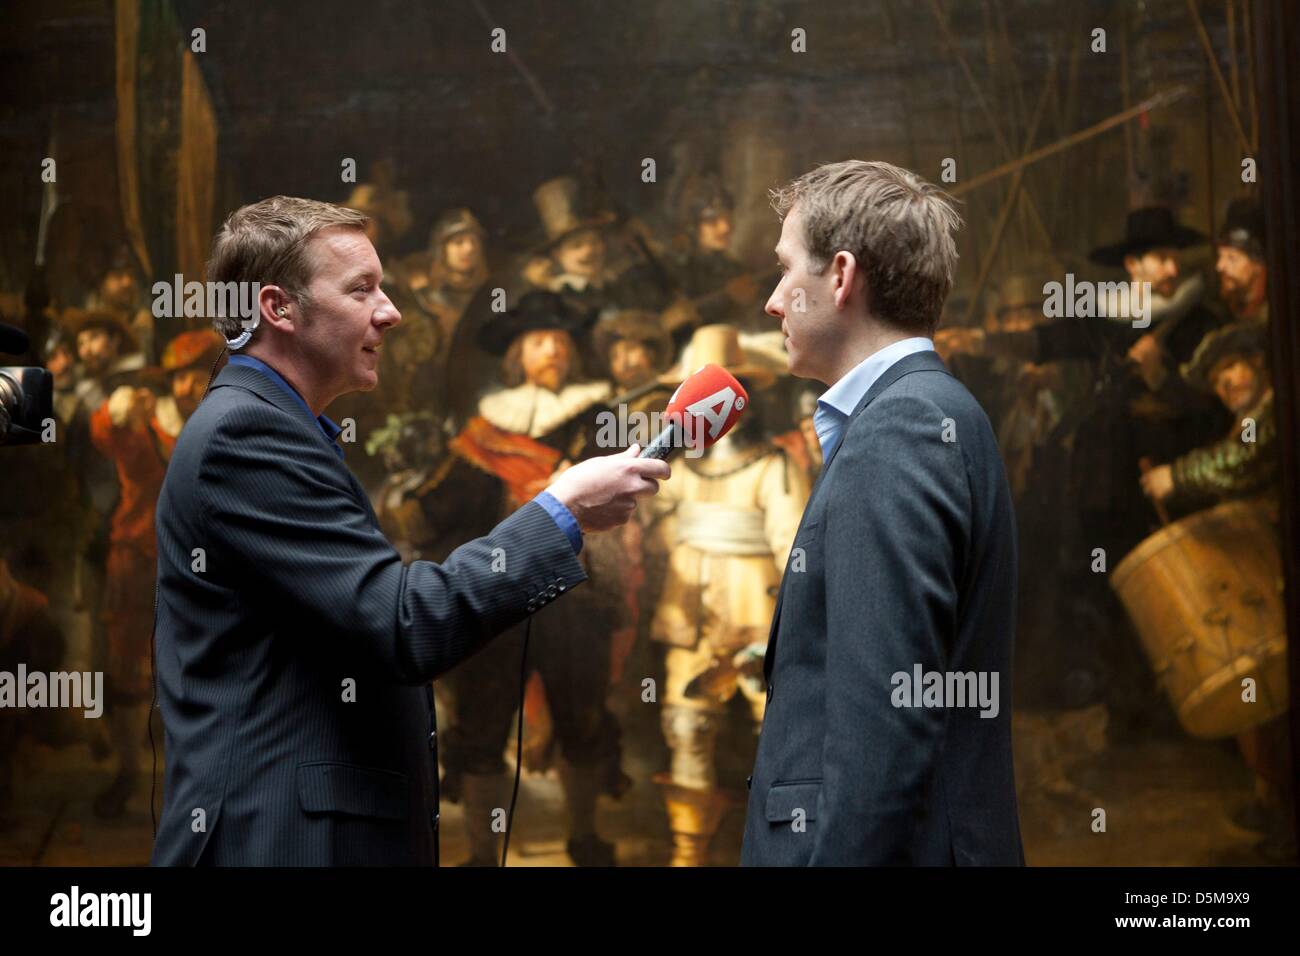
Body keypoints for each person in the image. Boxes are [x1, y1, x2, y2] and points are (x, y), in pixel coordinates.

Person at [150, 197, 668, 866]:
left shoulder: (271, 425)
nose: (390, 311)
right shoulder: (247, 434)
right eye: (362, 289)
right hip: (285, 843)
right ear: (278, 309)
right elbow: (401, 624)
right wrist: (560, 508)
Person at [741, 160, 1022, 866]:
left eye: (784, 272)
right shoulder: (933, 410)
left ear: (839, 277)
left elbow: (884, 737)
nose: (774, 302)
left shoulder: (900, 430)